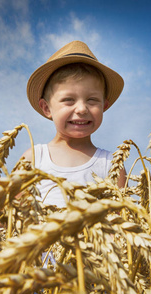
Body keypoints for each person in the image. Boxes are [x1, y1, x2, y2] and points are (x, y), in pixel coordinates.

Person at [22, 40, 126, 207]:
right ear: (46, 108)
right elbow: (11, 217)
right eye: (68, 100)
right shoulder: (33, 158)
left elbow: (121, 219)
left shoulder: (111, 165)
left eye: (92, 100)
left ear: (103, 106)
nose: (82, 109)